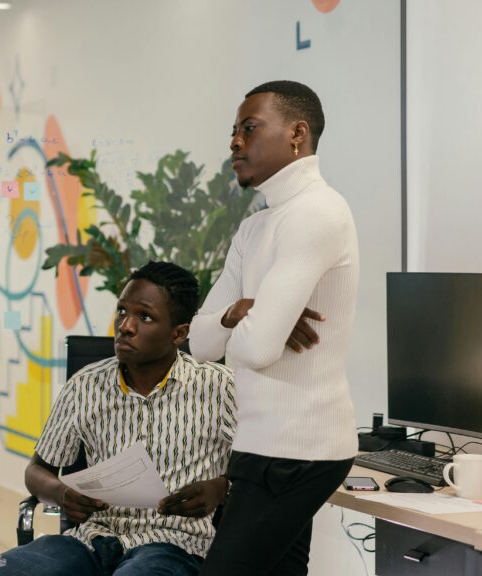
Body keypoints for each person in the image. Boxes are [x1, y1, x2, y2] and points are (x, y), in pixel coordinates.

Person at [189, 80, 359, 576]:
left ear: (297, 134)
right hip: (260, 446)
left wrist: (253, 324)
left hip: (300, 450)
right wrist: (241, 311)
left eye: (249, 128)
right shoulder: (256, 226)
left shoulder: (317, 213)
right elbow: (201, 343)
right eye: (234, 131)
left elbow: (258, 350)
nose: (234, 142)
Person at [0, 262, 236, 576]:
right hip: (91, 540)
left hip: (173, 544)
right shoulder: (86, 385)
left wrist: (221, 489)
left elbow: (259, 476)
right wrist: (61, 494)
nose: (125, 326)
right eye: (122, 311)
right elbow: (37, 471)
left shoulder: (219, 387)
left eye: (144, 317)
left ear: (179, 333)